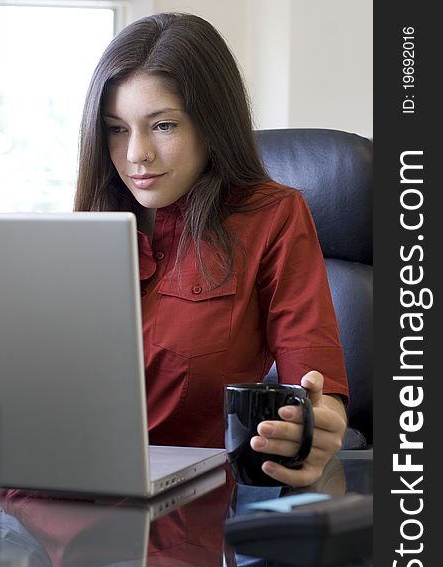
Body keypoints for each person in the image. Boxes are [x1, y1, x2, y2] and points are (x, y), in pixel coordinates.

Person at [74, 12, 348, 488]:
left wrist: (319, 425)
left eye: (162, 126)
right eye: (116, 129)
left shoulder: (272, 217)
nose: (136, 153)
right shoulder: (90, 223)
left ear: (211, 124)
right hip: (55, 489)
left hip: (191, 509)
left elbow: (316, 389)